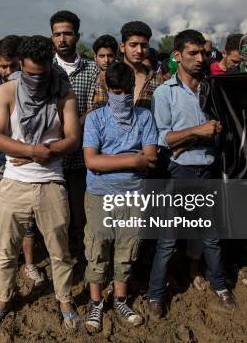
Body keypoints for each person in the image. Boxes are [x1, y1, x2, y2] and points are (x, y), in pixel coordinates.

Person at [0, 35, 81, 329]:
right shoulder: (7, 92)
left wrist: (42, 153)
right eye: (29, 74)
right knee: (7, 250)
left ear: (50, 67)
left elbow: (74, 139)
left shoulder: (64, 93)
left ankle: (64, 298)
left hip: (51, 182)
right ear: (20, 67)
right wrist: (31, 151)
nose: (36, 80)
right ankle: (4, 297)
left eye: (41, 75)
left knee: (59, 249)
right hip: (14, 182)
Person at [148, 30, 238, 317]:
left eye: (203, 53)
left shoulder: (213, 88)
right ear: (177, 56)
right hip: (178, 171)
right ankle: (156, 294)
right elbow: (162, 138)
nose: (200, 59)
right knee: (168, 238)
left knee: (211, 236)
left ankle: (220, 285)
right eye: (193, 53)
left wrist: (194, 137)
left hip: (207, 168)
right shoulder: (165, 92)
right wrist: (198, 132)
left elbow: (220, 128)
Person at [82, 62, 158, 332]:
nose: (120, 96)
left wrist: (112, 160)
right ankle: (96, 302)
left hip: (133, 195)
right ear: (106, 89)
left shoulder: (144, 117)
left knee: (127, 249)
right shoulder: (96, 118)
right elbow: (91, 161)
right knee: (97, 247)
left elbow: (150, 157)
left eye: (125, 90)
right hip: (100, 194)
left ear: (132, 89)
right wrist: (132, 160)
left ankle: (121, 299)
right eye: (115, 91)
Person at [0, 35, 44, 286]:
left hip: (25, 159)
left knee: (27, 216)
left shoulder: (36, 88)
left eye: (13, 66)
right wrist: (0, 108)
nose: (8, 72)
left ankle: (28, 264)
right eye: (3, 66)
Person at [50, 10, 99, 255]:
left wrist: (70, 128)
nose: (62, 39)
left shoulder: (92, 70)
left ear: (77, 36)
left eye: (67, 33)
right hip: (50, 157)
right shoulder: (44, 69)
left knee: (79, 214)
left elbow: (95, 107)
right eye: (57, 34)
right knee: (55, 216)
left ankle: (80, 258)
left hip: (80, 155)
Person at [90, 34, 118, 110]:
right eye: (102, 56)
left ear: (116, 56)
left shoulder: (122, 77)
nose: (106, 60)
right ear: (95, 57)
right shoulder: (91, 75)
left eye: (110, 56)